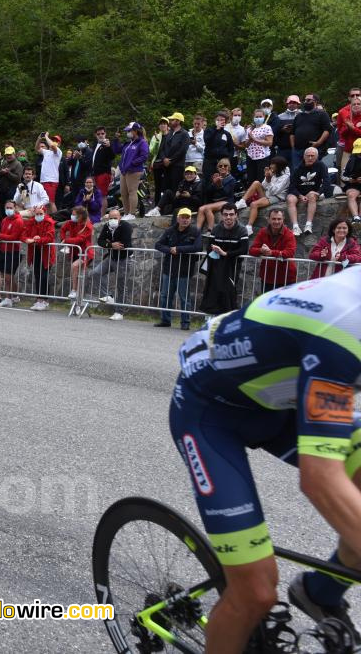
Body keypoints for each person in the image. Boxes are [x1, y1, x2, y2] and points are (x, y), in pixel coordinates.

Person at [168, 265, 361, 654]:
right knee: (255, 592)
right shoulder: (348, 327)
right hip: (211, 413)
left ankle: (319, 592)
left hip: (284, 399)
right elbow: (319, 479)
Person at [153, 207, 201, 330]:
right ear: (178, 218)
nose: (185, 220)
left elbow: (198, 247)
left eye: (188, 217)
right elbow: (158, 245)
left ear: (190, 219)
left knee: (184, 298)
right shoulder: (170, 230)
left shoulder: (195, 231)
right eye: (183, 217)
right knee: (165, 296)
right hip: (169, 268)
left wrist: (178, 249)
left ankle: (185, 322)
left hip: (184, 270)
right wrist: (169, 250)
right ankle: (165, 320)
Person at [200, 203, 250, 315]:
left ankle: (227, 321)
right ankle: (210, 320)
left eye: (231, 214)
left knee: (228, 295)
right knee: (212, 293)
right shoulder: (216, 229)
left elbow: (243, 250)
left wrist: (225, 253)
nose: (228, 217)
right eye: (225, 214)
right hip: (216, 267)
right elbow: (209, 247)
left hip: (232, 268)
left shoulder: (242, 230)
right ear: (222, 216)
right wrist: (214, 250)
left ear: (236, 215)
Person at [90, 209, 133, 321]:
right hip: (111, 257)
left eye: (115, 218)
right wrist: (111, 244)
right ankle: (109, 296)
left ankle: (120, 312)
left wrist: (111, 244)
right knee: (96, 272)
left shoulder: (126, 226)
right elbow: (100, 241)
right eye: (111, 218)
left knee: (121, 285)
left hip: (123, 259)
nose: (113, 220)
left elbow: (124, 243)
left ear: (120, 217)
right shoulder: (107, 226)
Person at [248, 208, 297, 292]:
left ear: (283, 219)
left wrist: (271, 252)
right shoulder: (262, 232)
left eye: (279, 219)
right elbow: (252, 250)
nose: (276, 221)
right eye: (274, 219)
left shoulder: (289, 234)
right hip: (268, 276)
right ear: (268, 220)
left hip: (286, 277)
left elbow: (290, 252)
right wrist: (261, 250)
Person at [240, 156, 291, 235]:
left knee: (254, 204)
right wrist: (267, 178)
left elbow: (275, 191)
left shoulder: (286, 177)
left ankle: (249, 227)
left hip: (276, 197)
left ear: (279, 166)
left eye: (273, 164)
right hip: (267, 193)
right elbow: (263, 186)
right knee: (256, 183)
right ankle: (242, 201)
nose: (271, 166)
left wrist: (269, 180)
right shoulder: (272, 171)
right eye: (271, 163)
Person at [287, 146, 331, 236]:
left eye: (312, 156)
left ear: (317, 157)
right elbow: (292, 186)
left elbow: (327, 182)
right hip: (299, 193)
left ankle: (308, 225)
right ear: (304, 156)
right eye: (308, 156)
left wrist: (319, 192)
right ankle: (295, 226)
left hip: (313, 193)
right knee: (290, 199)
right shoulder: (297, 168)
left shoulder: (321, 166)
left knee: (311, 194)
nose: (310, 158)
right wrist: (300, 196)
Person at [0, 199, 25, 306]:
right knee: (7, 276)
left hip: (13, 251)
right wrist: (1, 236)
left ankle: (8, 298)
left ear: (15, 208)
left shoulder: (18, 221)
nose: (8, 210)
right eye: (7, 208)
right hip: (3, 250)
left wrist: (0, 236)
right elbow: (3, 233)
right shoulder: (5, 220)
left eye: (11, 208)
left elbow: (14, 236)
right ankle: (14, 296)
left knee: (8, 277)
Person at [22, 205, 55, 310]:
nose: (39, 216)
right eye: (37, 214)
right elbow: (23, 235)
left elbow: (50, 237)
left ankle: (44, 300)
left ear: (44, 214)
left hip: (46, 252)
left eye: (41, 214)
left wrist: (37, 240)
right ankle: (39, 299)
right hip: (35, 251)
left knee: (44, 276)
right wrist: (28, 239)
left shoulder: (49, 222)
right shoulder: (31, 222)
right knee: (37, 275)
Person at [291, 93, 333, 170]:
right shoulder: (299, 116)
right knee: (296, 171)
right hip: (298, 151)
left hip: (313, 150)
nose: (305, 102)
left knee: (313, 173)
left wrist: (318, 143)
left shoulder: (322, 114)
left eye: (308, 100)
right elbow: (292, 133)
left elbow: (327, 130)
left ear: (315, 101)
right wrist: (293, 147)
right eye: (305, 100)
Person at [61, 205, 94, 299]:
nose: (72, 216)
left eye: (74, 214)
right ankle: (76, 301)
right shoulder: (71, 222)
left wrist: (66, 240)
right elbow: (63, 229)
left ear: (80, 216)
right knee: (78, 274)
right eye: (72, 214)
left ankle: (74, 290)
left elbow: (80, 239)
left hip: (85, 253)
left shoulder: (87, 226)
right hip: (74, 252)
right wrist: (63, 238)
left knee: (75, 267)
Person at [196, 158, 236, 235]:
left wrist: (220, 185)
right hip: (216, 201)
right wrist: (213, 184)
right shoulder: (215, 177)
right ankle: (197, 232)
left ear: (229, 168)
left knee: (207, 208)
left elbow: (227, 193)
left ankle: (210, 231)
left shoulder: (231, 179)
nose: (223, 167)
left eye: (225, 166)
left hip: (227, 201)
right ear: (218, 168)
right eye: (220, 166)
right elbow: (208, 192)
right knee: (201, 209)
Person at [117, 122, 149, 220]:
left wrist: (132, 164)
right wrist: (116, 140)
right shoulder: (129, 143)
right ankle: (126, 213)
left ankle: (132, 213)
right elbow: (117, 150)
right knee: (123, 192)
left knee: (132, 191)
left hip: (134, 170)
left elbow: (144, 156)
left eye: (129, 131)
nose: (128, 133)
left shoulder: (142, 142)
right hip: (124, 170)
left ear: (135, 131)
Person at [158, 113, 192, 197]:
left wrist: (171, 160)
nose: (170, 121)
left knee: (175, 189)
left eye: (172, 120)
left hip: (177, 166)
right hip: (166, 166)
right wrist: (164, 159)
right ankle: (165, 208)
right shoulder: (169, 133)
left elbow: (183, 150)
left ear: (178, 121)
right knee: (166, 189)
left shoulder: (184, 134)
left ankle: (174, 208)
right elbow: (162, 148)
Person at [243, 108, 274, 185]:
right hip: (250, 156)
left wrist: (254, 139)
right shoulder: (250, 129)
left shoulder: (267, 128)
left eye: (260, 116)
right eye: (256, 117)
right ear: (253, 117)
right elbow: (246, 145)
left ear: (264, 117)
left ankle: (262, 195)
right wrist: (250, 139)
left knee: (261, 179)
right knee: (251, 178)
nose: (258, 118)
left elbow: (269, 143)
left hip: (263, 157)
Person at [203, 111, 237, 180]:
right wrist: (216, 130)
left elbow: (231, 149)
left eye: (222, 120)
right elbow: (207, 141)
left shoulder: (227, 134)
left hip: (222, 164)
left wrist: (228, 159)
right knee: (208, 181)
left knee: (222, 181)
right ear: (215, 120)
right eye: (218, 120)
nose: (220, 121)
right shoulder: (208, 130)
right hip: (209, 161)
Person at [336, 87, 361, 172]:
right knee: (342, 171)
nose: (355, 97)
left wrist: (353, 128)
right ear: (349, 98)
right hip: (347, 147)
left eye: (357, 95)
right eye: (352, 95)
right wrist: (347, 128)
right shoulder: (342, 112)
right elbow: (340, 132)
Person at [36, 132, 63, 213]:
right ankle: (49, 219)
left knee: (51, 202)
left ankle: (55, 220)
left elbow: (52, 146)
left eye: (56, 141)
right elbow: (37, 148)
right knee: (46, 202)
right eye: (53, 140)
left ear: (59, 144)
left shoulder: (58, 152)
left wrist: (46, 137)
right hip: (44, 180)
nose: (54, 141)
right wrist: (39, 138)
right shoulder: (47, 152)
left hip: (51, 181)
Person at [90, 126, 117, 198]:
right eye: (98, 134)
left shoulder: (108, 143)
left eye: (102, 133)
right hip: (96, 173)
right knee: (97, 195)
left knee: (102, 196)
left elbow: (112, 156)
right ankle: (99, 209)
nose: (100, 135)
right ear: (95, 135)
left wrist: (108, 147)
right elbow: (94, 160)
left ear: (105, 134)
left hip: (104, 173)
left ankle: (102, 210)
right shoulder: (95, 144)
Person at [272, 95, 300, 163]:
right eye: (290, 103)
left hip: (298, 148)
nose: (292, 104)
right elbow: (274, 132)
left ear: (298, 104)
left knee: (296, 170)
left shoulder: (302, 115)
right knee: (281, 170)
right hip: (283, 148)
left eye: (294, 103)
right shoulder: (280, 116)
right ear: (287, 104)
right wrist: (282, 129)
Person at [0, 146, 23, 219]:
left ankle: (11, 222)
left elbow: (18, 179)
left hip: (12, 189)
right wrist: (2, 172)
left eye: (10, 154)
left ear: (14, 154)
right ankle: (2, 222)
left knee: (10, 207)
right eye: (7, 155)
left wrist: (8, 173)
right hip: (2, 189)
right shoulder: (4, 163)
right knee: (1, 207)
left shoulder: (18, 164)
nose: (8, 156)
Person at [339, 138, 361, 224]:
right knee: (351, 194)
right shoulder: (351, 160)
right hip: (353, 184)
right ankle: (356, 218)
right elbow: (343, 176)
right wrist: (352, 180)